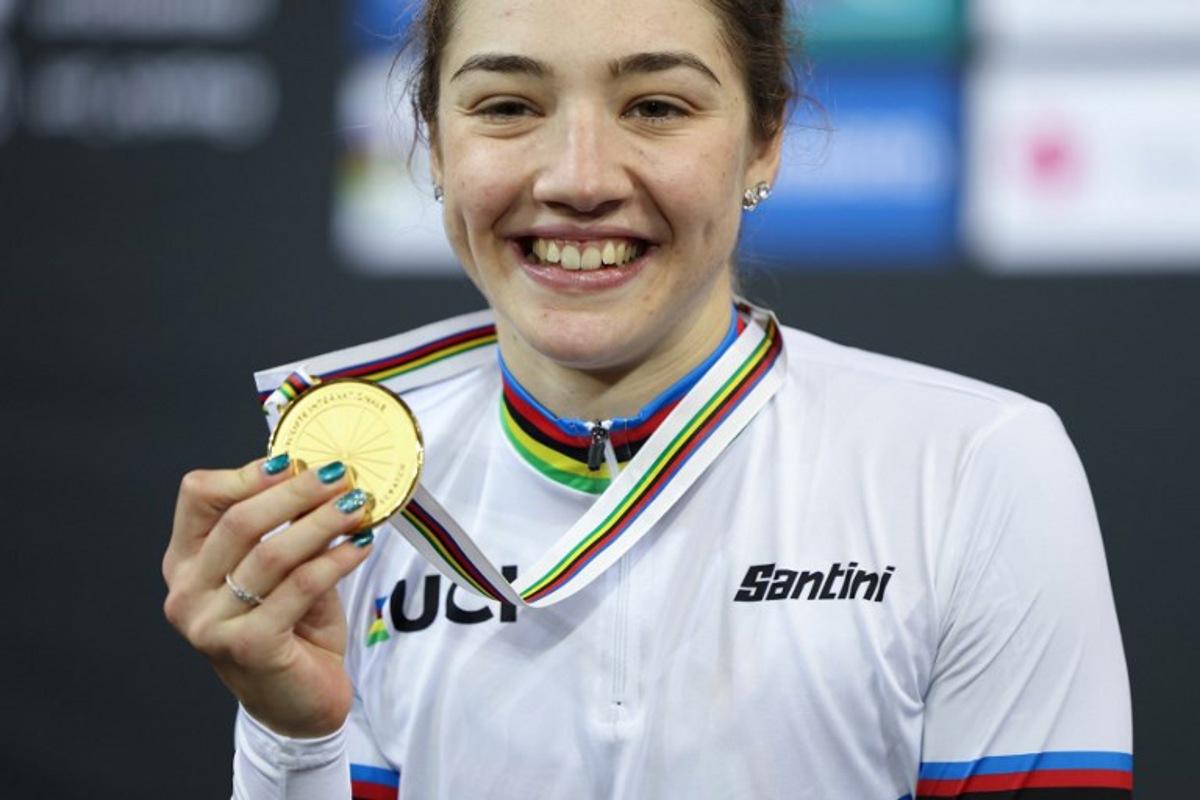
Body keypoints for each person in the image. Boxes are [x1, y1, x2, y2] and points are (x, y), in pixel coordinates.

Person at [161, 0, 1133, 797]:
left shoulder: (970, 464)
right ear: (436, 144)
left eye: (657, 106)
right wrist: (293, 736)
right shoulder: (352, 502)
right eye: (506, 105)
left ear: (766, 138)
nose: (579, 177)